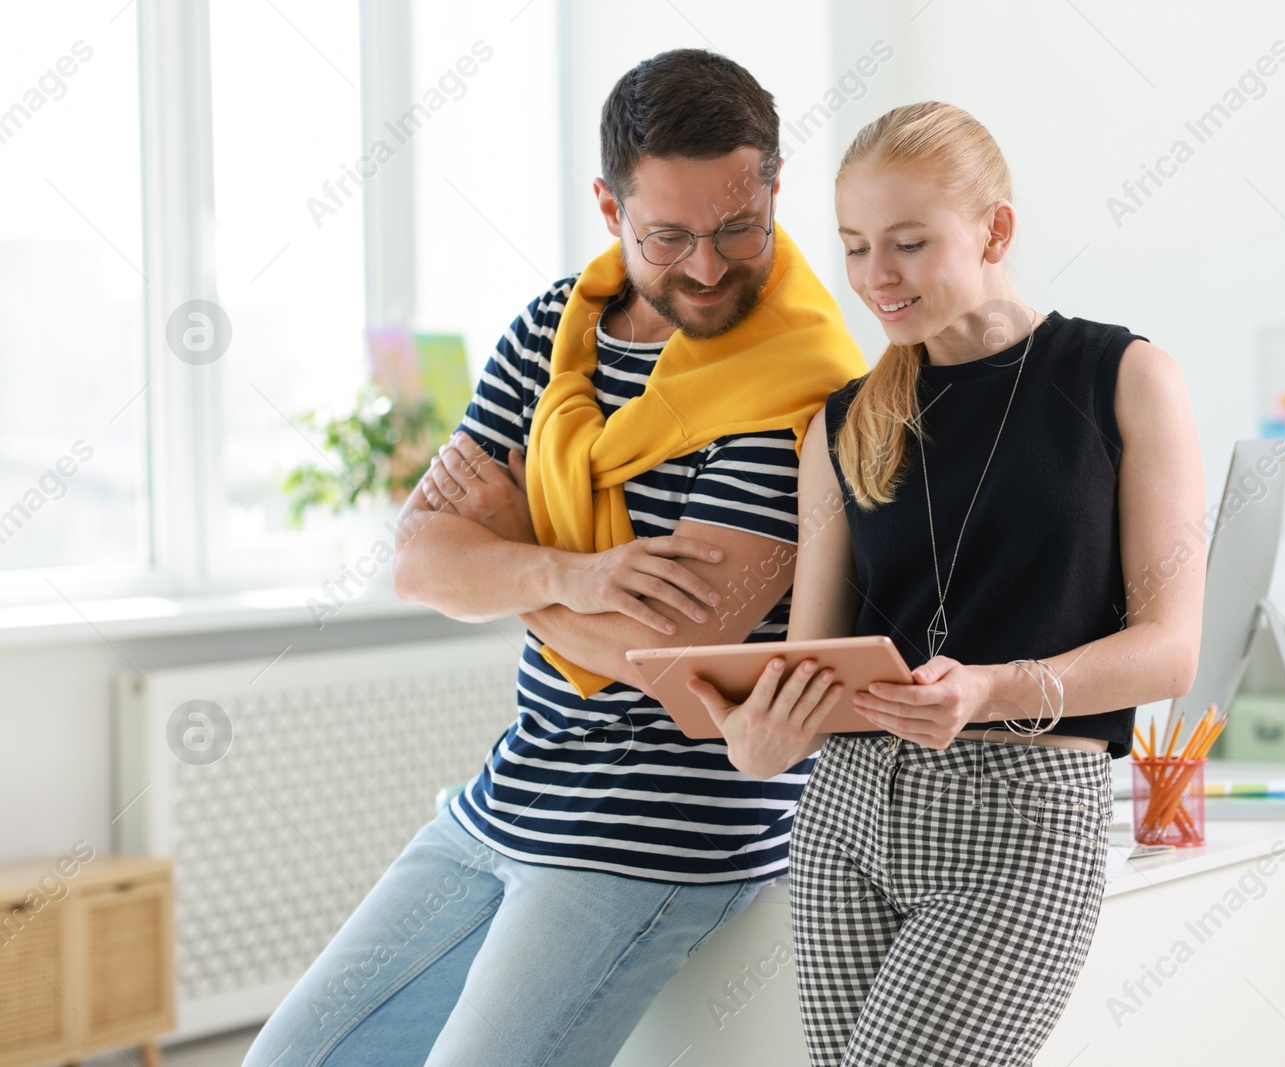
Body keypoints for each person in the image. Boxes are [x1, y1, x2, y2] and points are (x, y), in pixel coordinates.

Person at [242, 50, 863, 1067]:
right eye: (667, 236)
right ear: (608, 207)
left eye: (736, 228)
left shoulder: (797, 386)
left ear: (773, 192)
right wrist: (564, 574)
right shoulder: (553, 328)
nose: (706, 267)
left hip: (664, 826)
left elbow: (675, 648)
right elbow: (418, 562)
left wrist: (510, 552)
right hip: (512, 789)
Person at [684, 101, 1208, 1065]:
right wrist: (761, 736)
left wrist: (991, 689)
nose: (876, 277)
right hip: (844, 820)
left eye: (910, 243)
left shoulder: (1122, 377)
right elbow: (815, 655)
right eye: (854, 247)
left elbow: (1169, 651)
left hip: (1022, 817)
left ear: (996, 229)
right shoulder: (840, 424)